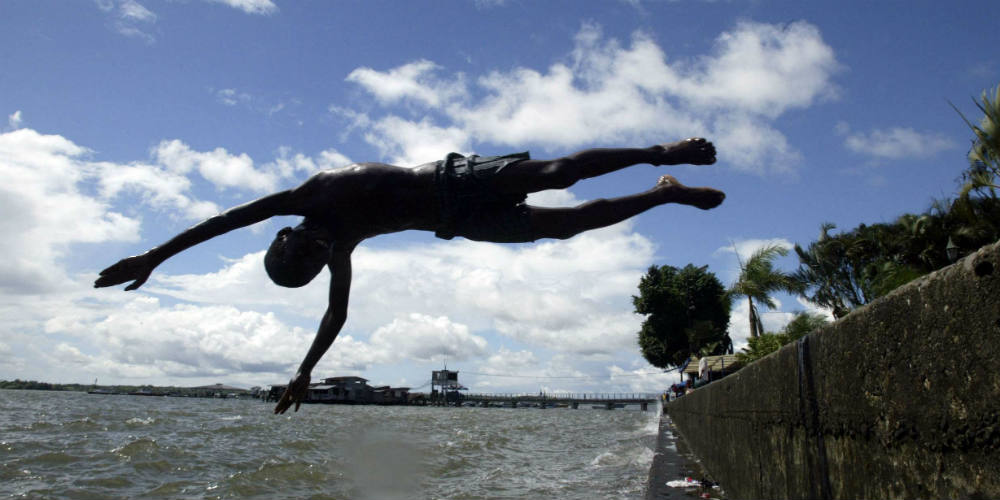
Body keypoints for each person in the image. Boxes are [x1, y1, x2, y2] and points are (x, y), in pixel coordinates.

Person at [94, 138, 725, 414]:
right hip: (458, 223)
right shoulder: (337, 248)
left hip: (453, 180)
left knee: (560, 174)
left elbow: (225, 219)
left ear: (285, 236)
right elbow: (336, 314)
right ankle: (664, 194)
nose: (318, 252)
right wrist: (304, 372)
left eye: (306, 250)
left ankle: (658, 154)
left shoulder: (308, 195)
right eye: (315, 263)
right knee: (568, 226)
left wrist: (153, 257)